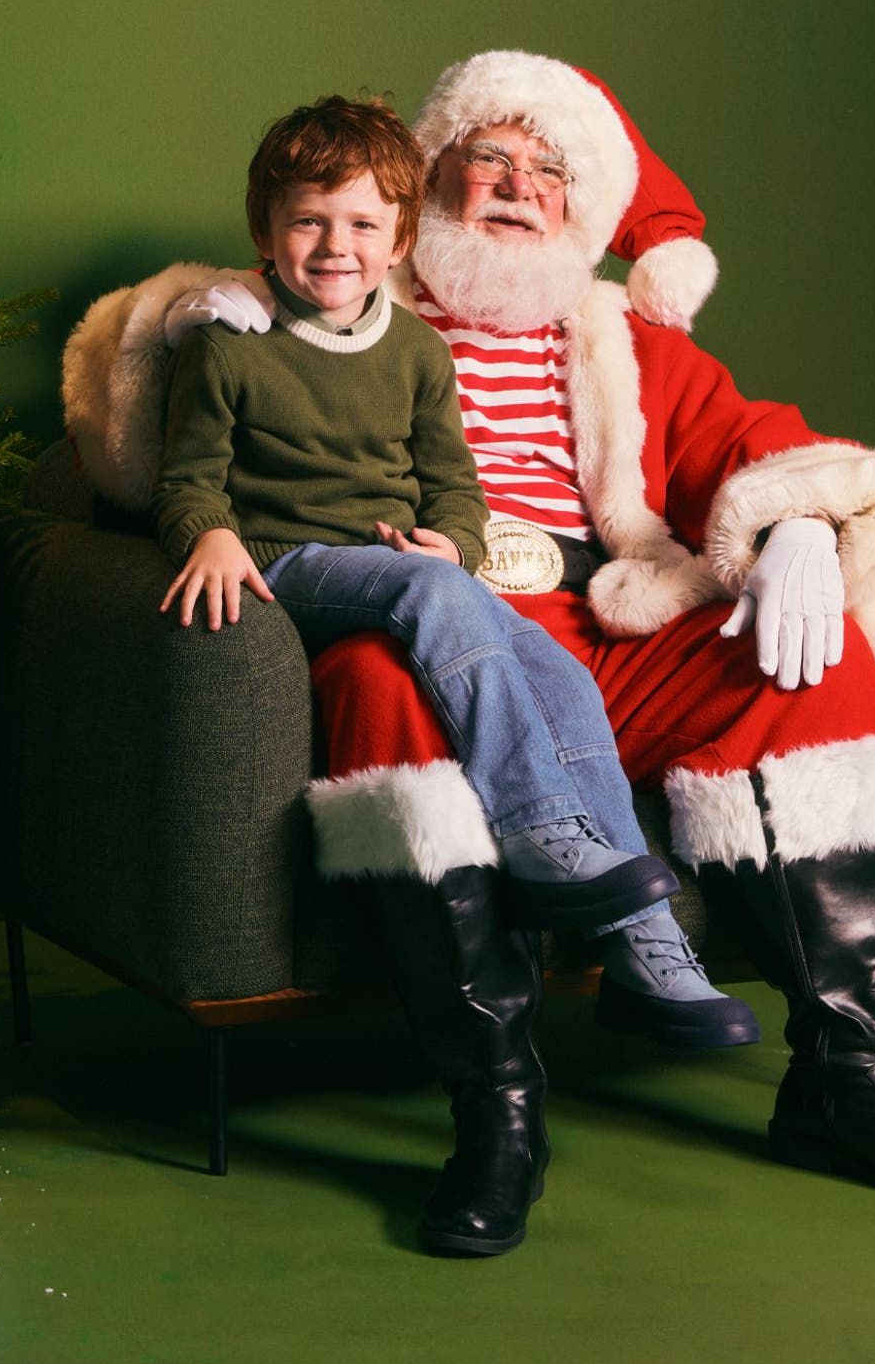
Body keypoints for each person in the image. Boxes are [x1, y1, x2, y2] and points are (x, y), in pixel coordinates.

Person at [79, 53, 875, 1257]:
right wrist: (191, 313)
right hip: (422, 613)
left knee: (814, 656)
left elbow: (748, 434)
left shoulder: (623, 339)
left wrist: (797, 522)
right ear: (431, 186)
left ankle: (846, 1079)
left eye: (549, 170)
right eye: (490, 160)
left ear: (584, 211)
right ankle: (497, 1110)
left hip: (608, 617)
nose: (519, 186)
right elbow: (145, 424)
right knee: (377, 684)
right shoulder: (343, 298)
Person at [151, 96, 761, 1107]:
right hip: (286, 561)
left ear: (398, 237)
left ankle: (649, 946)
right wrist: (206, 532)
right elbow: (186, 482)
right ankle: (537, 829)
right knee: (431, 589)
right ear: (264, 232)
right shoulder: (230, 342)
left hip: (404, 563)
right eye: (306, 222)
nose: (333, 246)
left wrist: (458, 542)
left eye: (358, 225)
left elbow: (452, 486)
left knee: (555, 665)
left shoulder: (414, 353)